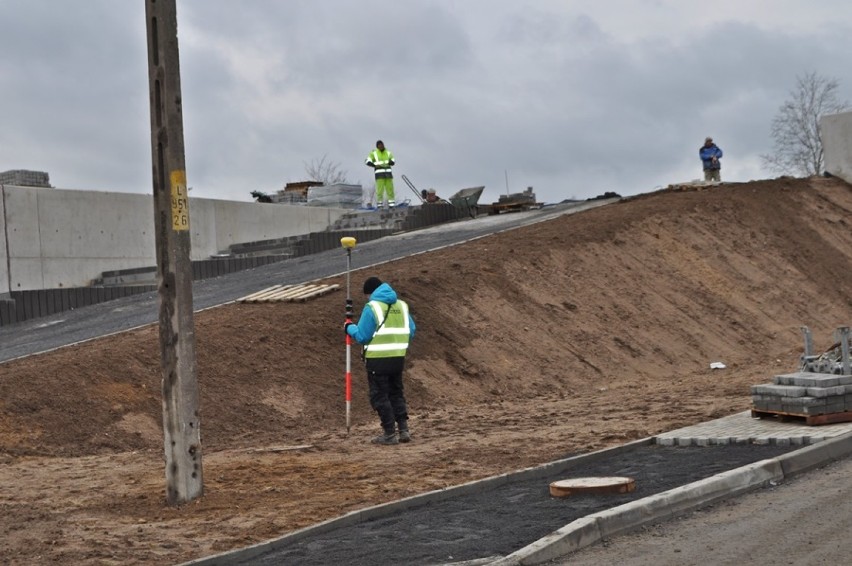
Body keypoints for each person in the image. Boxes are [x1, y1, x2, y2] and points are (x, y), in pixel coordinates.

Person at [345, 276, 416, 445]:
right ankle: (403, 429)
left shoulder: (372, 307)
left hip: (378, 360)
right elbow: (411, 331)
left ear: (370, 293)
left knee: (379, 396)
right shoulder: (401, 305)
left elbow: (362, 336)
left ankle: (389, 433)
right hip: (398, 358)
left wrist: (349, 328)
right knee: (396, 393)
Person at [365, 140, 396, 208]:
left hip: (388, 175)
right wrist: (374, 165)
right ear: (377, 146)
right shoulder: (374, 153)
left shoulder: (388, 152)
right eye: (379, 145)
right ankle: (380, 205)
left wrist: (390, 162)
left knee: (390, 190)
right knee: (380, 191)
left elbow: (393, 161)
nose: (381, 146)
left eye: (382, 144)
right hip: (379, 175)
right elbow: (367, 161)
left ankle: (391, 205)